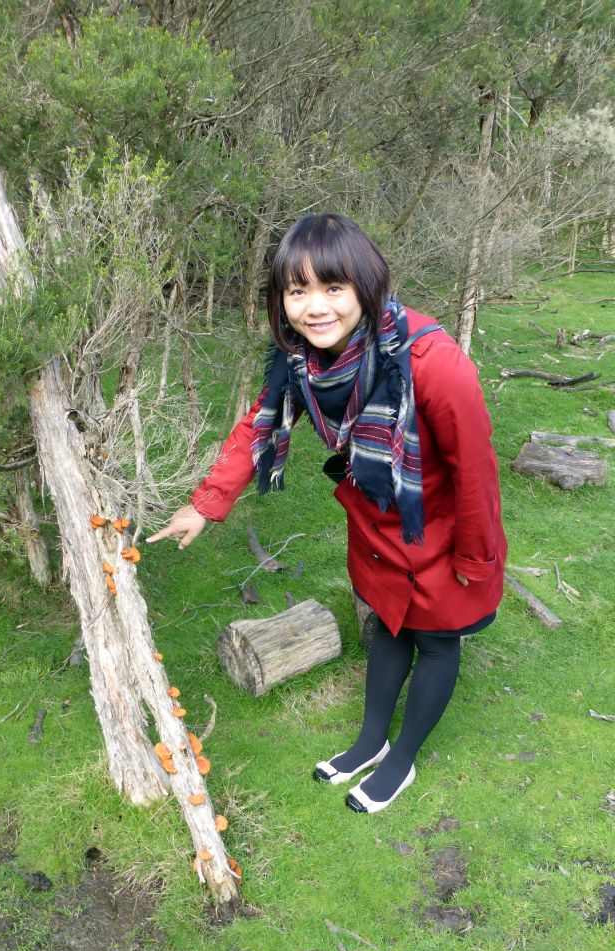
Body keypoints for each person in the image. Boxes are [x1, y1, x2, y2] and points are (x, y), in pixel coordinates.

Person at [147, 213, 506, 814]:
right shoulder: (300, 358)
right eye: (297, 290)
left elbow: (476, 471)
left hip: (439, 528)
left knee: (437, 643)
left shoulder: (433, 363)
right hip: (375, 523)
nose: (315, 307)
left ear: (366, 286)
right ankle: (370, 740)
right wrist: (205, 507)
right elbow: (257, 424)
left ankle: (401, 759)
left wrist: (475, 557)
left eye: (333, 288)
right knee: (390, 624)